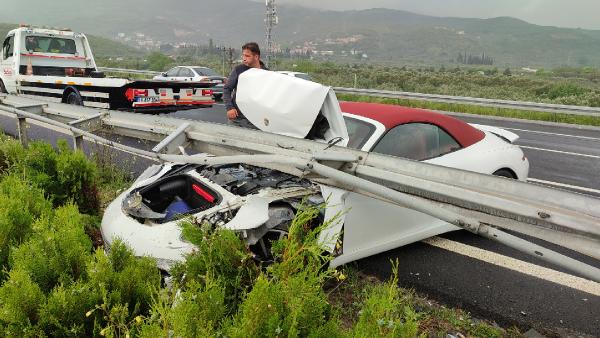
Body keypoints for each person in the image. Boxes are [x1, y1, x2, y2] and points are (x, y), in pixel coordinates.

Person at [223, 42, 268, 129]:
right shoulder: (238, 70)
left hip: (257, 121)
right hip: (237, 119)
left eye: (247, 56)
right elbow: (227, 89)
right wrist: (229, 108)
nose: (244, 59)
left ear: (256, 57)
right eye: (243, 56)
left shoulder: (266, 73)